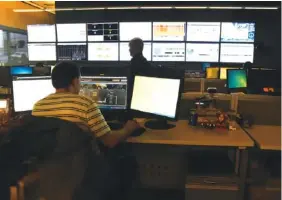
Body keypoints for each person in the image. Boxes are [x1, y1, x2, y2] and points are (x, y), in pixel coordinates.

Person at [32, 61, 140, 148]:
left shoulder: (37, 107)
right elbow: (110, 141)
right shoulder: (85, 104)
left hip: (47, 170)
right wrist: (128, 128)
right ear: (75, 81)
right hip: (79, 168)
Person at [127, 37, 152, 108]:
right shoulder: (144, 62)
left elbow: (131, 83)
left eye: (130, 47)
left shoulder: (134, 63)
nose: (129, 50)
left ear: (136, 48)